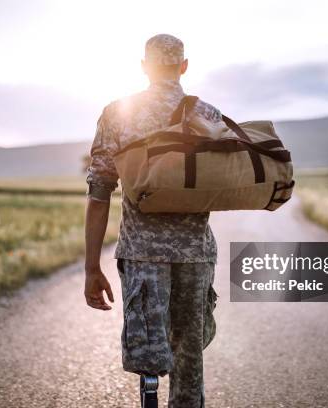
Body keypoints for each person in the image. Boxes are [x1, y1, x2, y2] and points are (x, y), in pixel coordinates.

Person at [84, 33, 220, 407]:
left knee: (149, 359)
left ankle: (148, 394)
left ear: (144, 67)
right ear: (184, 66)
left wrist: (91, 267)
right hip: (197, 256)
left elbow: (99, 193)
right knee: (190, 365)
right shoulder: (207, 114)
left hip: (143, 255)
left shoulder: (118, 114)